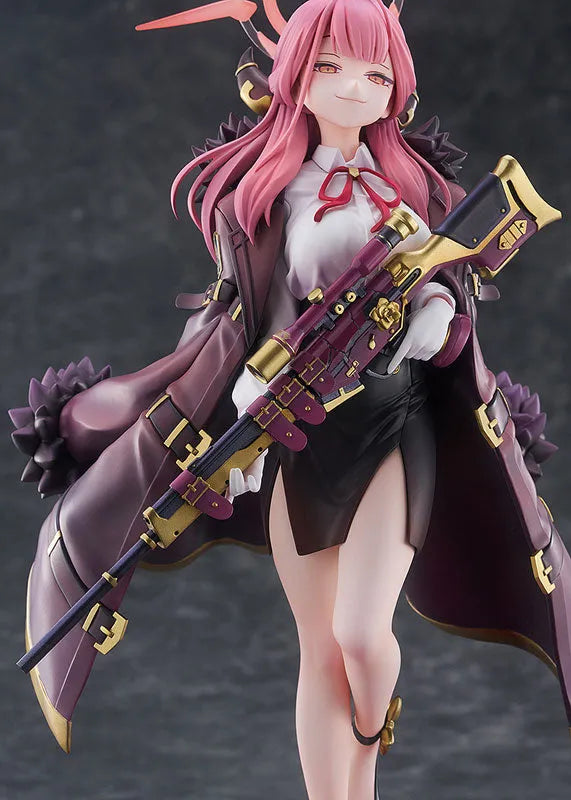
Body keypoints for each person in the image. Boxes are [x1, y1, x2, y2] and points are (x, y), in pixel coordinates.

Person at [11, 2, 570, 799]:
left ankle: (371, 727)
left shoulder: (410, 188)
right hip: (299, 430)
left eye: (374, 73)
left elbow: (446, 275)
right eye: (330, 68)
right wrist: (244, 404)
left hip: (393, 421)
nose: (353, 88)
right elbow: (245, 317)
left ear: (396, 88)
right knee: (319, 648)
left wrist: (436, 312)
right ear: (294, 79)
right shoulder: (266, 198)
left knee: (361, 636)